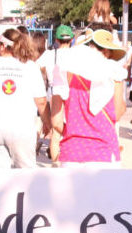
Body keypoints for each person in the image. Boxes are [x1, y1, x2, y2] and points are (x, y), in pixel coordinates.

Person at [0, 28, 49, 169]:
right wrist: (47, 122)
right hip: (22, 128)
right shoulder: (30, 67)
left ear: (3, 46)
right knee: (26, 176)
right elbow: (41, 101)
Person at [50, 29, 127, 167]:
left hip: (72, 152)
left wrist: (76, 132)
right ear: (106, 52)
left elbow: (56, 122)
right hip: (104, 152)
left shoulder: (65, 72)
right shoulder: (115, 73)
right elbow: (118, 113)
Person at [37, 25, 75, 158]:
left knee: (56, 131)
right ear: (71, 39)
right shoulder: (76, 54)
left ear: (57, 40)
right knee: (72, 128)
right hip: (73, 92)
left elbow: (37, 67)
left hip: (55, 92)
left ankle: (55, 162)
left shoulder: (49, 54)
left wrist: (46, 74)